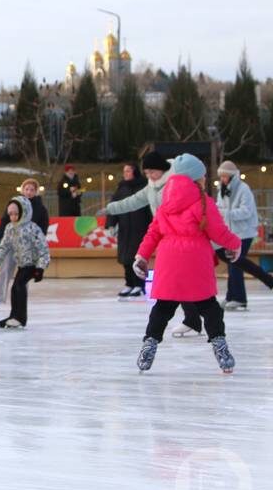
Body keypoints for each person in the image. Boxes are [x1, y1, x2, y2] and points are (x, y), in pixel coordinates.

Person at [132, 154, 241, 373]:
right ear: (197, 178)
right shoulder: (203, 201)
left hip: (168, 260)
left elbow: (153, 232)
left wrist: (141, 256)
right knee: (209, 307)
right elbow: (217, 231)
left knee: (162, 307)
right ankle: (220, 346)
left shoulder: (166, 201)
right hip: (196, 260)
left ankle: (149, 345)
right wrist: (235, 244)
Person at [98, 150, 202, 337]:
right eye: (146, 173)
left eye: (152, 172)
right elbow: (134, 201)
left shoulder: (176, 184)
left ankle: (195, 317)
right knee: (177, 279)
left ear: (162, 169)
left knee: (178, 279)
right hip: (166, 237)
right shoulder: (152, 186)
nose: (149, 176)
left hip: (181, 237)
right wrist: (111, 208)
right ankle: (193, 318)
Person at [213, 160, 273, 311]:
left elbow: (246, 211)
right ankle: (232, 296)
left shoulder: (243, 189)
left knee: (236, 263)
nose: (222, 179)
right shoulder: (222, 189)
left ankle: (239, 298)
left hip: (244, 232)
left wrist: (225, 214)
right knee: (234, 263)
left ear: (232, 176)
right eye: (221, 177)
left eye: (225, 176)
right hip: (230, 233)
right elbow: (219, 207)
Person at [0, 195, 50, 329]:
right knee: (15, 288)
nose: (13, 217)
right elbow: (4, 246)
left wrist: (40, 269)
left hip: (33, 264)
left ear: (24, 212)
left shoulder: (32, 228)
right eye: (10, 214)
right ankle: (14, 316)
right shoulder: (10, 228)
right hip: (22, 264)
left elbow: (43, 249)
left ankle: (20, 318)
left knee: (19, 286)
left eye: (16, 214)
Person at [104, 163, 151, 299]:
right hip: (125, 229)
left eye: (128, 171)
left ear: (135, 172)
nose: (126, 173)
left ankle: (139, 285)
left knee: (137, 257)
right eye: (124, 171)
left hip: (140, 228)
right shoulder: (121, 188)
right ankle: (129, 283)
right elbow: (114, 207)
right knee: (125, 257)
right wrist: (111, 224)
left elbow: (149, 209)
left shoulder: (143, 187)